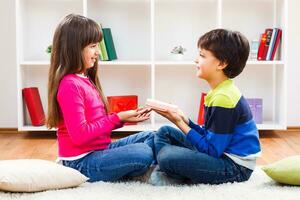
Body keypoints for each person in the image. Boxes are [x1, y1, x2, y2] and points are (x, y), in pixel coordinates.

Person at [46, 14, 155, 182]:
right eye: (93, 46)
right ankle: (151, 168)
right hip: (80, 162)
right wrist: (116, 118)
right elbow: (80, 135)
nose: (98, 52)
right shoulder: (70, 85)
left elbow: (96, 124)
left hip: (100, 149)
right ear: (74, 48)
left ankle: (138, 167)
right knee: (142, 152)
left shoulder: (84, 79)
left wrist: (123, 118)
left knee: (153, 136)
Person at [150, 29, 261, 185]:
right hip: (220, 154)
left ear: (222, 64)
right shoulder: (220, 91)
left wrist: (179, 123)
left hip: (234, 167)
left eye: (202, 56)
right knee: (164, 132)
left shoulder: (224, 98)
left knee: (167, 156)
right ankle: (171, 171)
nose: (196, 60)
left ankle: (168, 170)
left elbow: (212, 150)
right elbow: (209, 136)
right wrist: (186, 120)